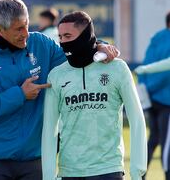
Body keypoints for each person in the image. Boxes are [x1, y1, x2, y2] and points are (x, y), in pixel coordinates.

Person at [0, 0, 119, 180]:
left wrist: (101, 45)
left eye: (27, 25)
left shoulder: (41, 44)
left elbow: (76, 52)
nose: (26, 33)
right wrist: (19, 94)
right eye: (19, 29)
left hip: (36, 157)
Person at [41, 11, 147, 180]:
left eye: (68, 36)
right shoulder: (56, 75)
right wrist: (48, 176)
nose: (63, 42)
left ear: (85, 35)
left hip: (109, 169)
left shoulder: (117, 69)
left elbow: (137, 119)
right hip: (69, 171)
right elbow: (49, 129)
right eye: (60, 37)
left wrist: (138, 171)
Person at [137, 10, 170, 180]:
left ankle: (141, 174)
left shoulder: (156, 37)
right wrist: (154, 87)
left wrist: (146, 90)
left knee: (153, 138)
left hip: (151, 97)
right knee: (167, 143)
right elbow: (166, 72)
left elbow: (145, 65)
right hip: (166, 99)